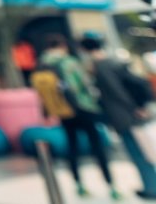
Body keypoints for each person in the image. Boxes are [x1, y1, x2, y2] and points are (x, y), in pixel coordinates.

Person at [32, 34, 120, 199]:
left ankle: (79, 185)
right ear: (63, 46)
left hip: (63, 111)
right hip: (83, 108)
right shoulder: (69, 62)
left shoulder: (41, 64)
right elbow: (84, 84)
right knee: (96, 145)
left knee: (72, 146)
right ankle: (111, 186)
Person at [80, 36, 156, 200]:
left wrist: (134, 108)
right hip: (130, 113)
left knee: (137, 151)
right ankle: (150, 185)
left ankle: (151, 187)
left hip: (124, 115)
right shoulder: (112, 61)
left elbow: (116, 91)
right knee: (142, 149)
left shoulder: (101, 66)